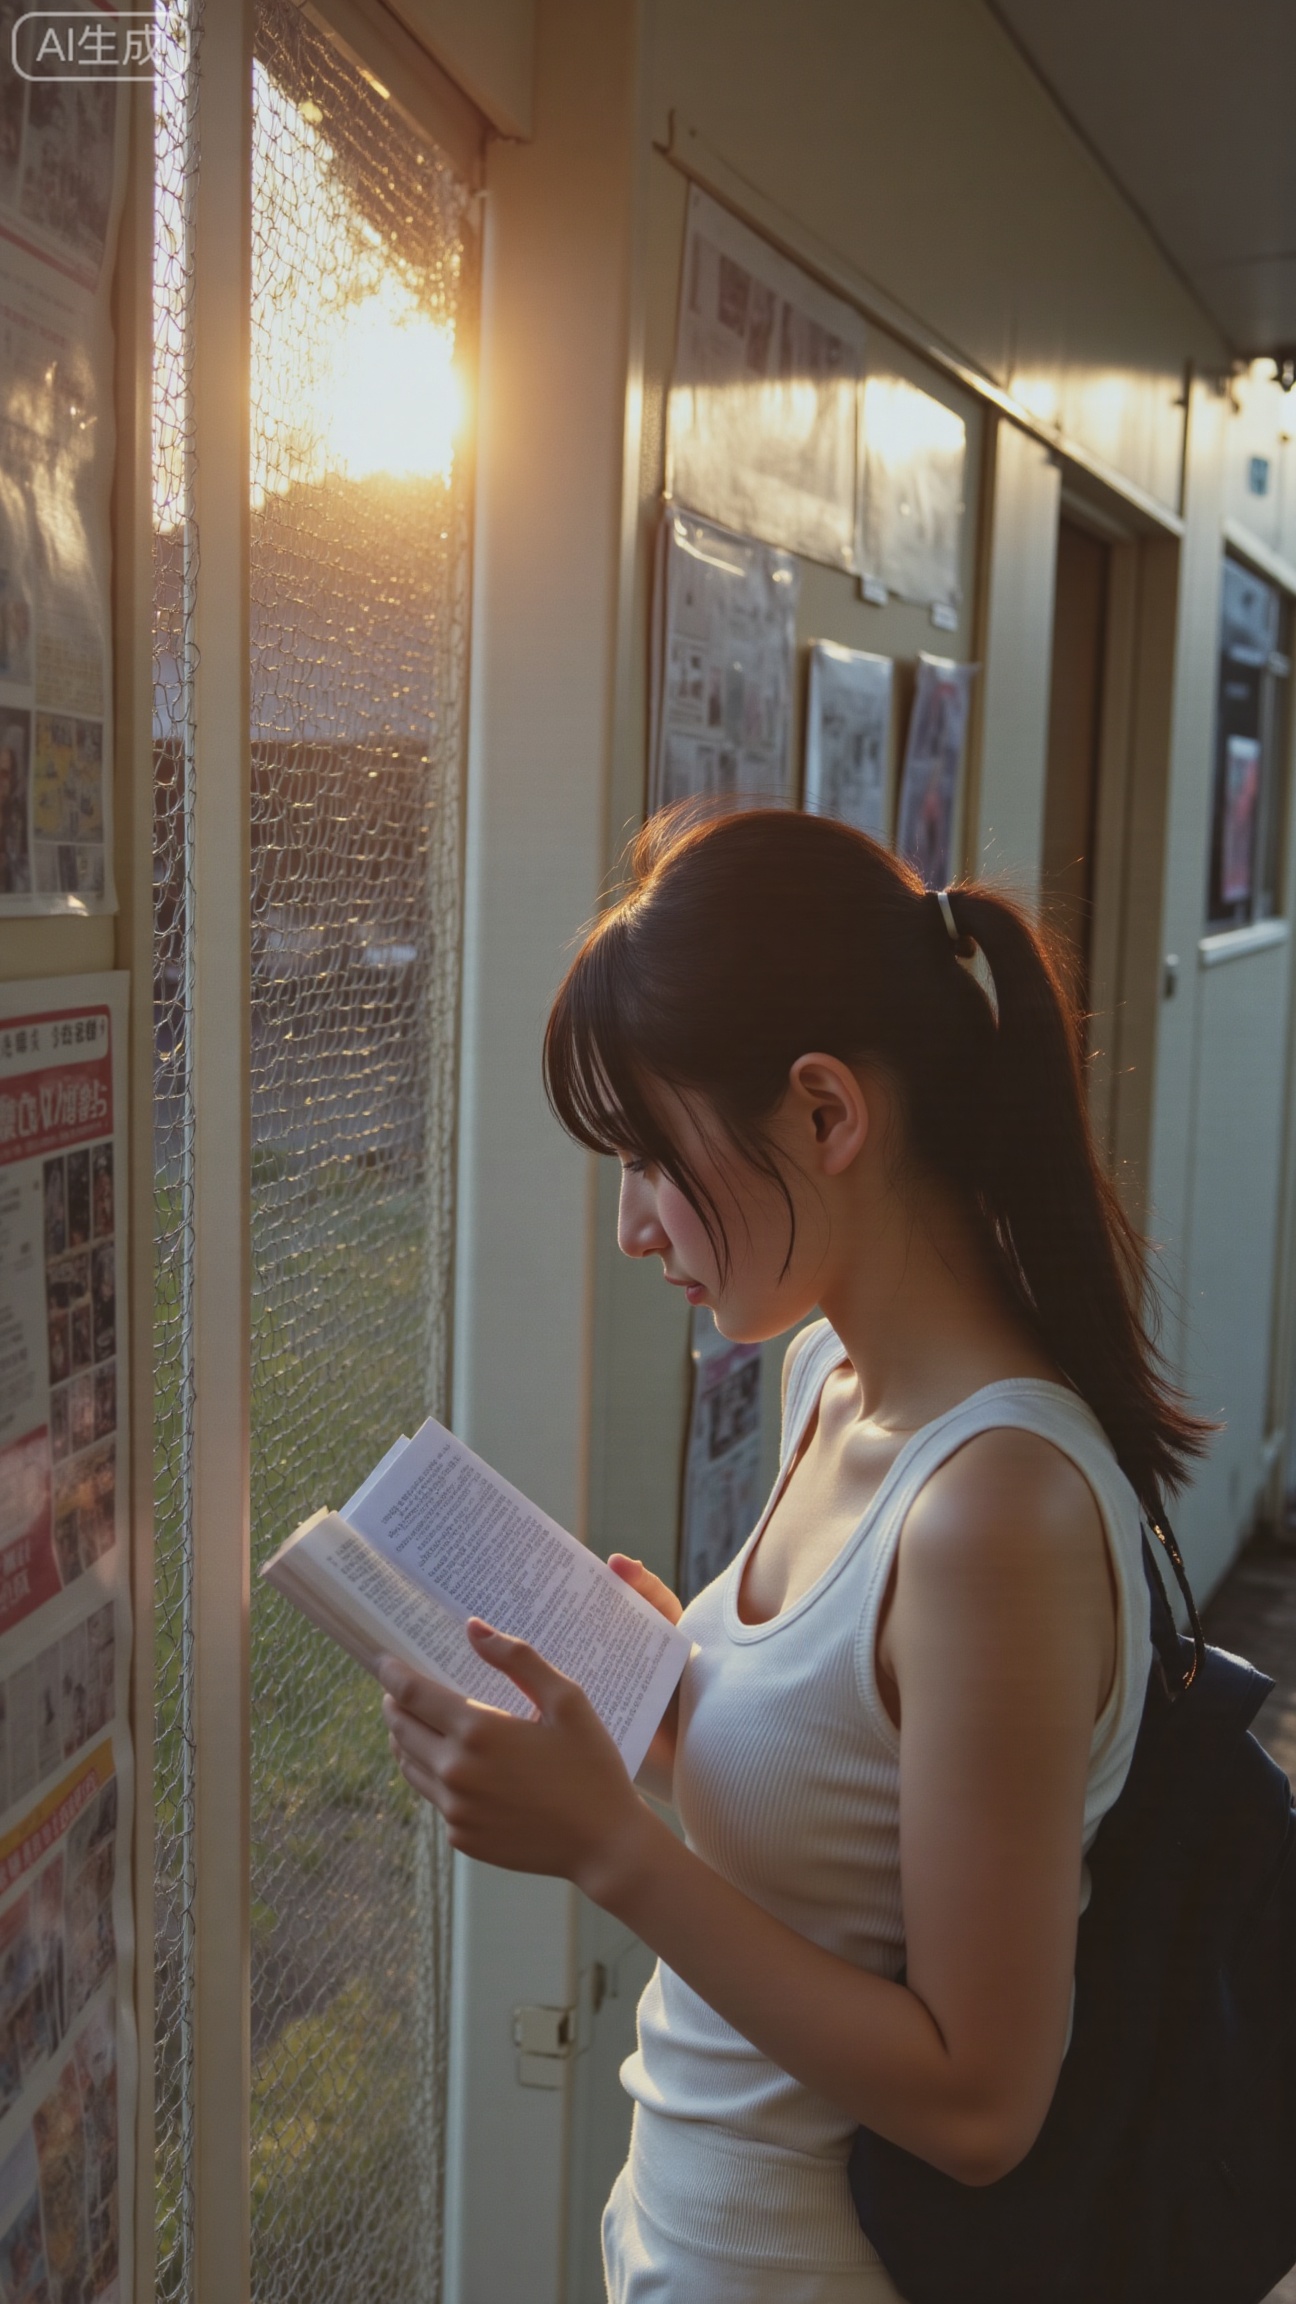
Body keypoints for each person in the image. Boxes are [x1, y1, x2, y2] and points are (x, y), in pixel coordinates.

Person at [379, 807, 1206, 2304]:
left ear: (826, 1114)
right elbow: (855, 1817)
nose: (634, 1228)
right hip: (692, 2243)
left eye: (648, 1158)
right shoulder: (826, 1376)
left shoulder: (993, 1514)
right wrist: (660, 1697)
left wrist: (610, 1849)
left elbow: (978, 2103)